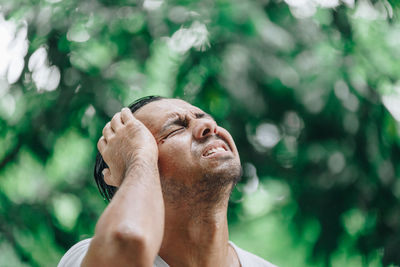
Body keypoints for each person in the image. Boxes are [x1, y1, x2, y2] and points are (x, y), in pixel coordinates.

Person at [58, 96, 276, 267]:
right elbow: (124, 244)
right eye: (175, 128)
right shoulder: (86, 258)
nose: (209, 126)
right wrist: (139, 156)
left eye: (206, 118)